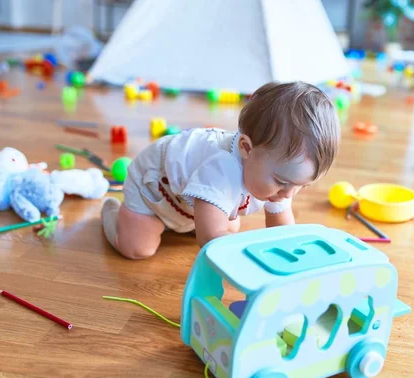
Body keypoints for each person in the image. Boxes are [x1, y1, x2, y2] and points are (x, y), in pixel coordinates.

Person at [101, 81, 340, 259]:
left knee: (230, 226)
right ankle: (113, 211)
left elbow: (282, 229)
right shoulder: (221, 168)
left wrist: (294, 256)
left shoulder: (280, 176)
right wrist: (253, 259)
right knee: (138, 249)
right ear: (246, 148)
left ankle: (192, 218)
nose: (289, 193)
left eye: (301, 185)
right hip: (153, 191)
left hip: (186, 203)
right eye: (282, 181)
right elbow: (210, 241)